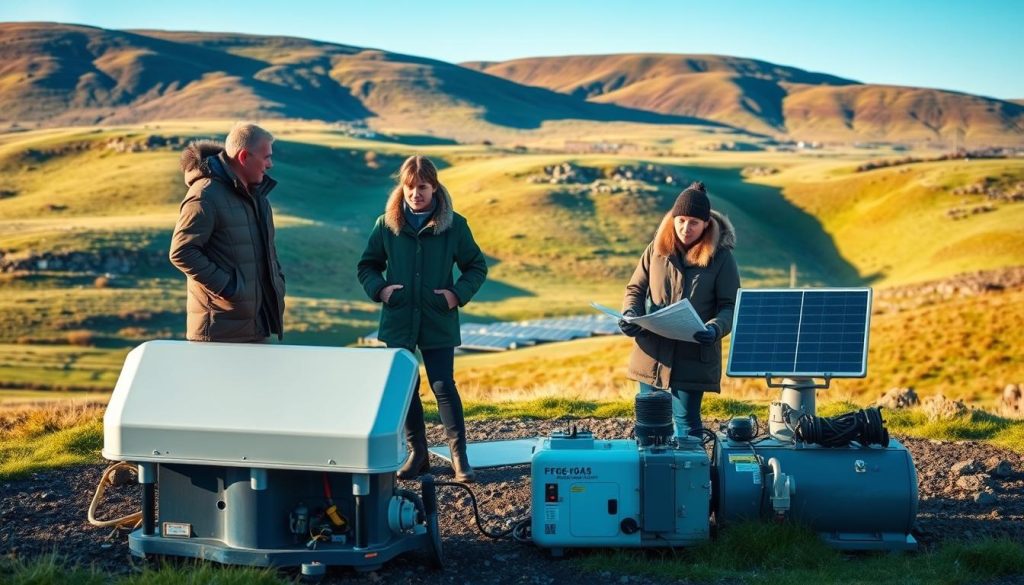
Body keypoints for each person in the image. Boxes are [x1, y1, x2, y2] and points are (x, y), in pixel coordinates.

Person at [357, 155, 488, 482]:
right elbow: (367, 266)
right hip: (399, 318)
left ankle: (460, 458)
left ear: (434, 187)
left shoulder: (455, 225)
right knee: (406, 386)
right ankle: (418, 455)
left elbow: (476, 266)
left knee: (443, 385)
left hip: (437, 318)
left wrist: (456, 295)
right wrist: (382, 290)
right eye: (410, 187)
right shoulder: (386, 224)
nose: (416, 194)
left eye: (423, 187)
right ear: (403, 187)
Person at [620, 181, 740, 441]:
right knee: (650, 422)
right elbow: (635, 289)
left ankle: (690, 480)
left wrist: (715, 328)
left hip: (694, 353)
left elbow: (730, 306)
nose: (686, 228)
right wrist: (630, 314)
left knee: (686, 423)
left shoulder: (721, 258)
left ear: (706, 223)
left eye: (694, 222)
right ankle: (649, 478)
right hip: (652, 353)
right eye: (681, 220)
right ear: (673, 219)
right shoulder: (656, 249)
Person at [169, 123, 285, 343]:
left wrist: (278, 280)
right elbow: (182, 252)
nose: (270, 164)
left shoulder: (258, 197)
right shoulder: (205, 195)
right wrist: (229, 288)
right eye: (266, 157)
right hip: (219, 332)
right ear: (243, 157)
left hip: (256, 327)